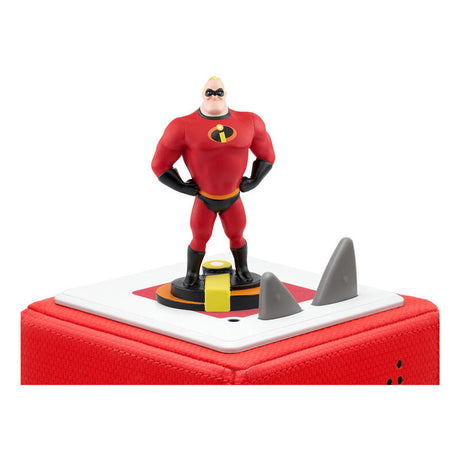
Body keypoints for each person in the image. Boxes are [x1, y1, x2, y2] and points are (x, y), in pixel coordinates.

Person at [152, 76, 275, 288]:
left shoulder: (250, 121)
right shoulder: (181, 126)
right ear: (202, 94)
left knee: (237, 235)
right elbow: (159, 164)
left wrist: (255, 179)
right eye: (209, 92)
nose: (214, 96)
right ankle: (191, 274)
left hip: (233, 196)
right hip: (204, 198)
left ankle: (242, 270)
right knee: (199, 237)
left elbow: (267, 155)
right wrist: (181, 186)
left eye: (219, 92)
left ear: (225, 94)